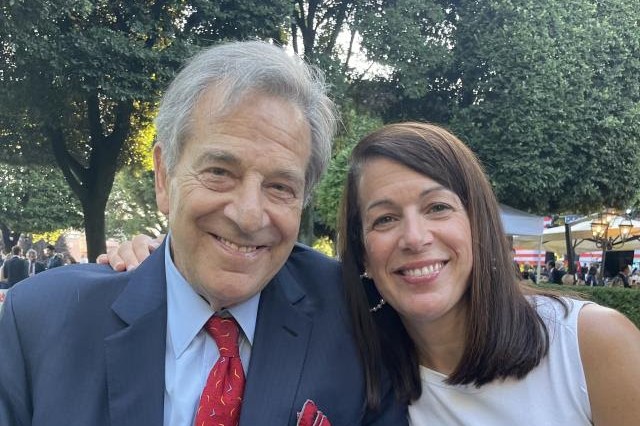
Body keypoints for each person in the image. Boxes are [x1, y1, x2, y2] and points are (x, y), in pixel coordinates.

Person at [105, 122, 640, 425]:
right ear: (360, 254)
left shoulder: (589, 347)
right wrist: (171, 259)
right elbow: (252, 253)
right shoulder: (366, 361)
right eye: (385, 218)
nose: (414, 237)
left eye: (437, 208)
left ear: (476, 222)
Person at [0, 41, 406, 426]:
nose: (249, 216)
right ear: (163, 177)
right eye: (219, 173)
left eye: (280, 186)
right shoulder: (40, 322)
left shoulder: (358, 321)